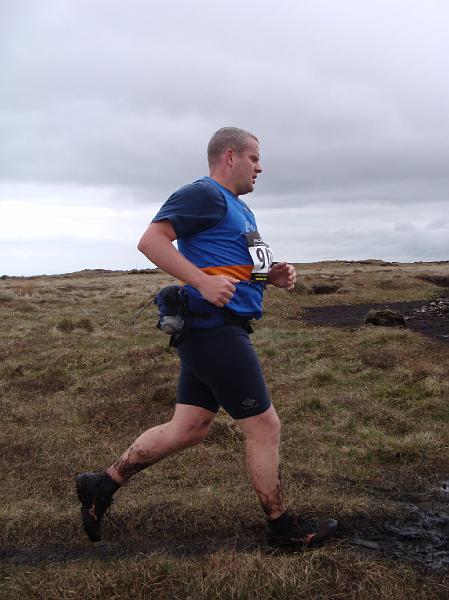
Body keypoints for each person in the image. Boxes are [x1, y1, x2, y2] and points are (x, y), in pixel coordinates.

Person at [75, 127, 337, 548]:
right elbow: (151, 241)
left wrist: (269, 275)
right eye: (255, 158)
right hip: (214, 329)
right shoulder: (204, 194)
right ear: (230, 156)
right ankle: (282, 529)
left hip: (216, 329)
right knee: (264, 426)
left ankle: (101, 485)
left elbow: (233, 266)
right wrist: (200, 281)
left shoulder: (239, 210)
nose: (260, 166)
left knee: (190, 427)